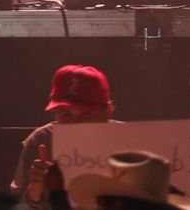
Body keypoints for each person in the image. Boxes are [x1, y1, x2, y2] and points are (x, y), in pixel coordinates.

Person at [10, 64, 119, 207]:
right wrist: (35, 189)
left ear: (108, 111)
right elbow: (17, 207)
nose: (75, 123)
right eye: (65, 114)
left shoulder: (130, 141)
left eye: (86, 114)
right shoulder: (41, 141)